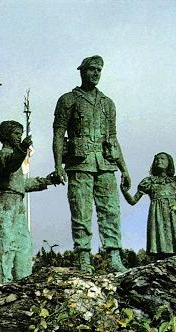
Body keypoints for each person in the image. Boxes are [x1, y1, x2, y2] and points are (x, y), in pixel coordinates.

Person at [52, 55, 131, 273]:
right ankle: (83, 258)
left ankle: (114, 256)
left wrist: (124, 169)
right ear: (82, 71)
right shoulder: (68, 100)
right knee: (81, 211)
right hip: (79, 164)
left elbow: (113, 137)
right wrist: (58, 165)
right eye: (92, 69)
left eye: (99, 70)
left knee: (111, 211)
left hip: (106, 164)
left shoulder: (108, 103)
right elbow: (59, 134)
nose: (96, 73)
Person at [0, 120, 59, 283]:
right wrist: (22, 149)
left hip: (17, 201)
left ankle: (23, 279)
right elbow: (10, 164)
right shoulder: (3, 155)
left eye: (20, 134)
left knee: (24, 244)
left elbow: (22, 184)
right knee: (7, 243)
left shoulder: (15, 158)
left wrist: (48, 180)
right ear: (6, 136)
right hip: (6, 202)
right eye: (16, 134)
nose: (19, 137)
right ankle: (3, 281)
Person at [120, 152, 176, 257]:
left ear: (169, 162)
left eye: (162, 158)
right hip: (157, 215)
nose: (159, 160)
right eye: (157, 159)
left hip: (173, 213)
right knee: (159, 239)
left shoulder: (175, 181)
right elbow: (133, 201)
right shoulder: (149, 181)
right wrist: (124, 191)